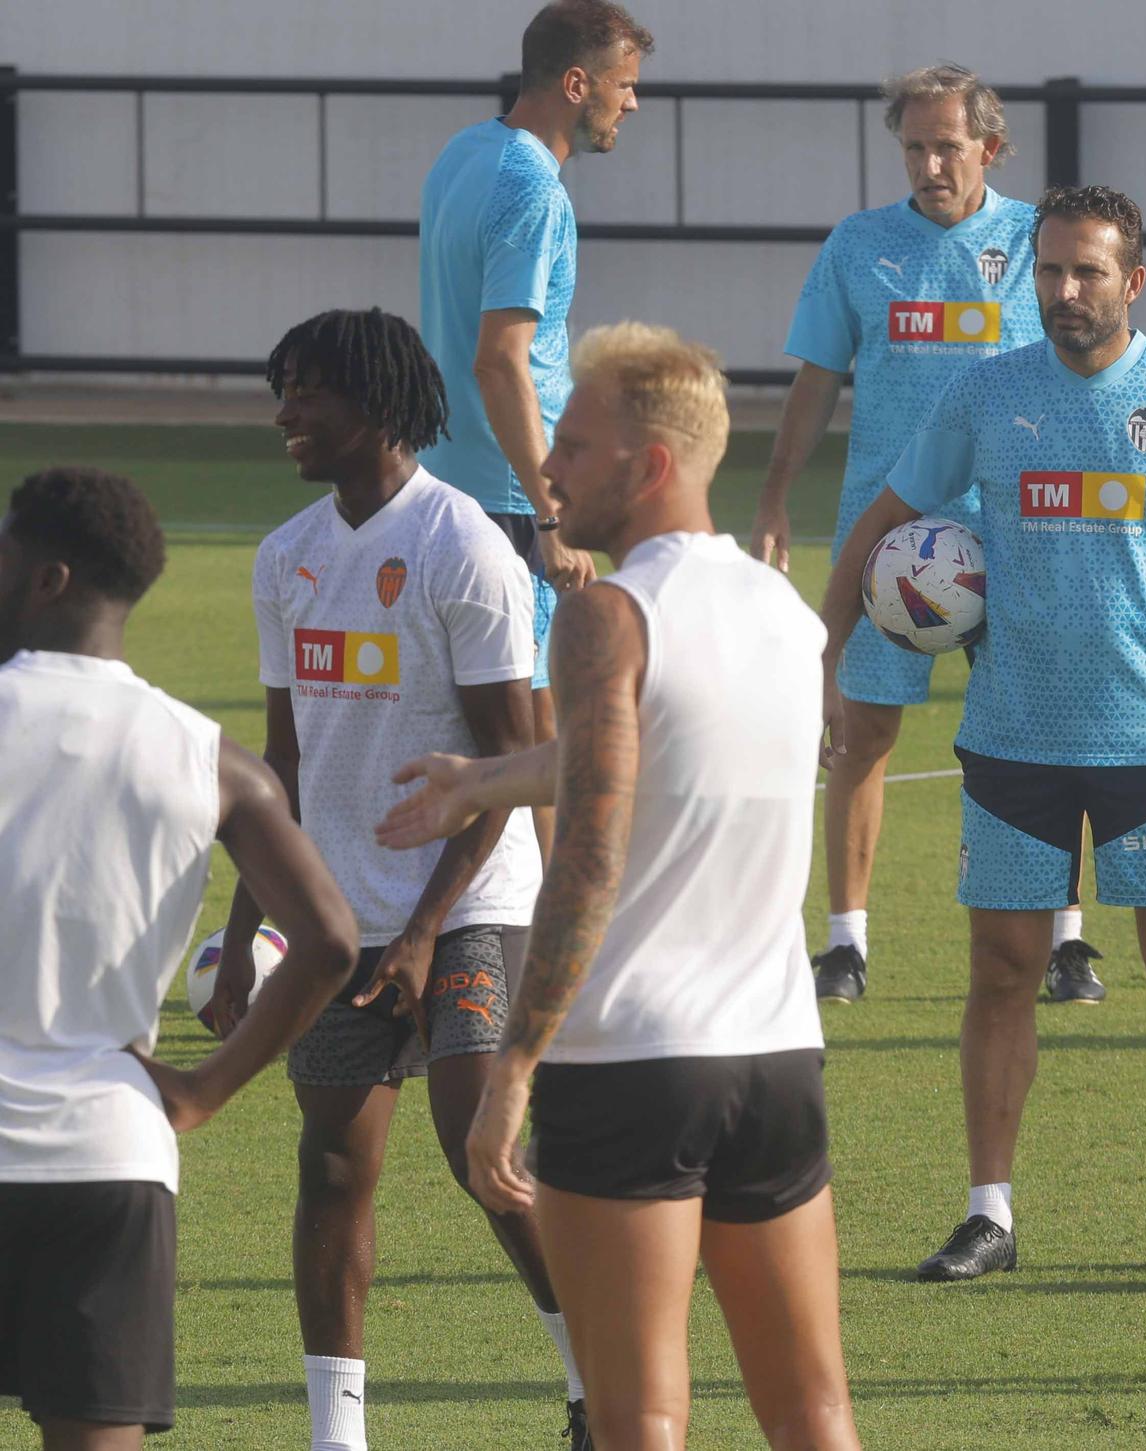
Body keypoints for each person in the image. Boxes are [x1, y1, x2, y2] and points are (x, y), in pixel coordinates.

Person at [375, 322, 861, 1450]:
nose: (546, 467)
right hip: (776, 1060)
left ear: (648, 466)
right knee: (815, 1408)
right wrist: (488, 775)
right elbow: (661, 751)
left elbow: (589, 849)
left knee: (636, 1415)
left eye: (575, 445)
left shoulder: (606, 612)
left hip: (630, 1062)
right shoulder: (783, 615)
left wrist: (515, 1061)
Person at [819, 184, 1146, 1281]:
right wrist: (815, 661)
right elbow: (875, 527)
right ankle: (990, 1213)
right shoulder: (986, 397)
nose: (1064, 292)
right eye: (1047, 271)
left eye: (1085, 272)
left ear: (1132, 279)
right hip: (1013, 738)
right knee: (1001, 968)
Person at [218, 309, 586, 1448]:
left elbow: (510, 767)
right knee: (331, 1163)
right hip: (334, 918)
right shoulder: (286, 557)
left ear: (375, 405)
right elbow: (276, 766)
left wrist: (429, 928)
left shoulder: (461, 545)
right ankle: (339, 1432)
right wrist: (242, 934)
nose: (285, 413)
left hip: (470, 898)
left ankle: (596, 1385)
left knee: (484, 1147)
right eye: (281, 388)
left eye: (306, 392)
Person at [0, 467, 359, 1450]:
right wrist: (202, 1090)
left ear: (46, 577)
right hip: (108, 1158)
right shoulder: (212, 759)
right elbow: (329, 938)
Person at [753, 63, 1107, 1007]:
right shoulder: (859, 246)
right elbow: (817, 379)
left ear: (989, 147)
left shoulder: (1040, 244)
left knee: (1046, 728)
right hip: (891, 538)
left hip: (1020, 532)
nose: (929, 163)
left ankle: (1068, 941)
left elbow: (1081, 367)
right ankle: (844, 944)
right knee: (861, 729)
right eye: (914, 146)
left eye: (947, 145)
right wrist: (776, 497)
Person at [419, 0, 655, 857]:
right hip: (511, 496)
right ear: (577, 82)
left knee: (478, 719)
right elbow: (500, 358)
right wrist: (551, 512)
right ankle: (563, 947)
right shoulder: (532, 188)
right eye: (625, 87)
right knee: (541, 729)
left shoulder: (462, 154)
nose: (632, 104)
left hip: (445, 477)